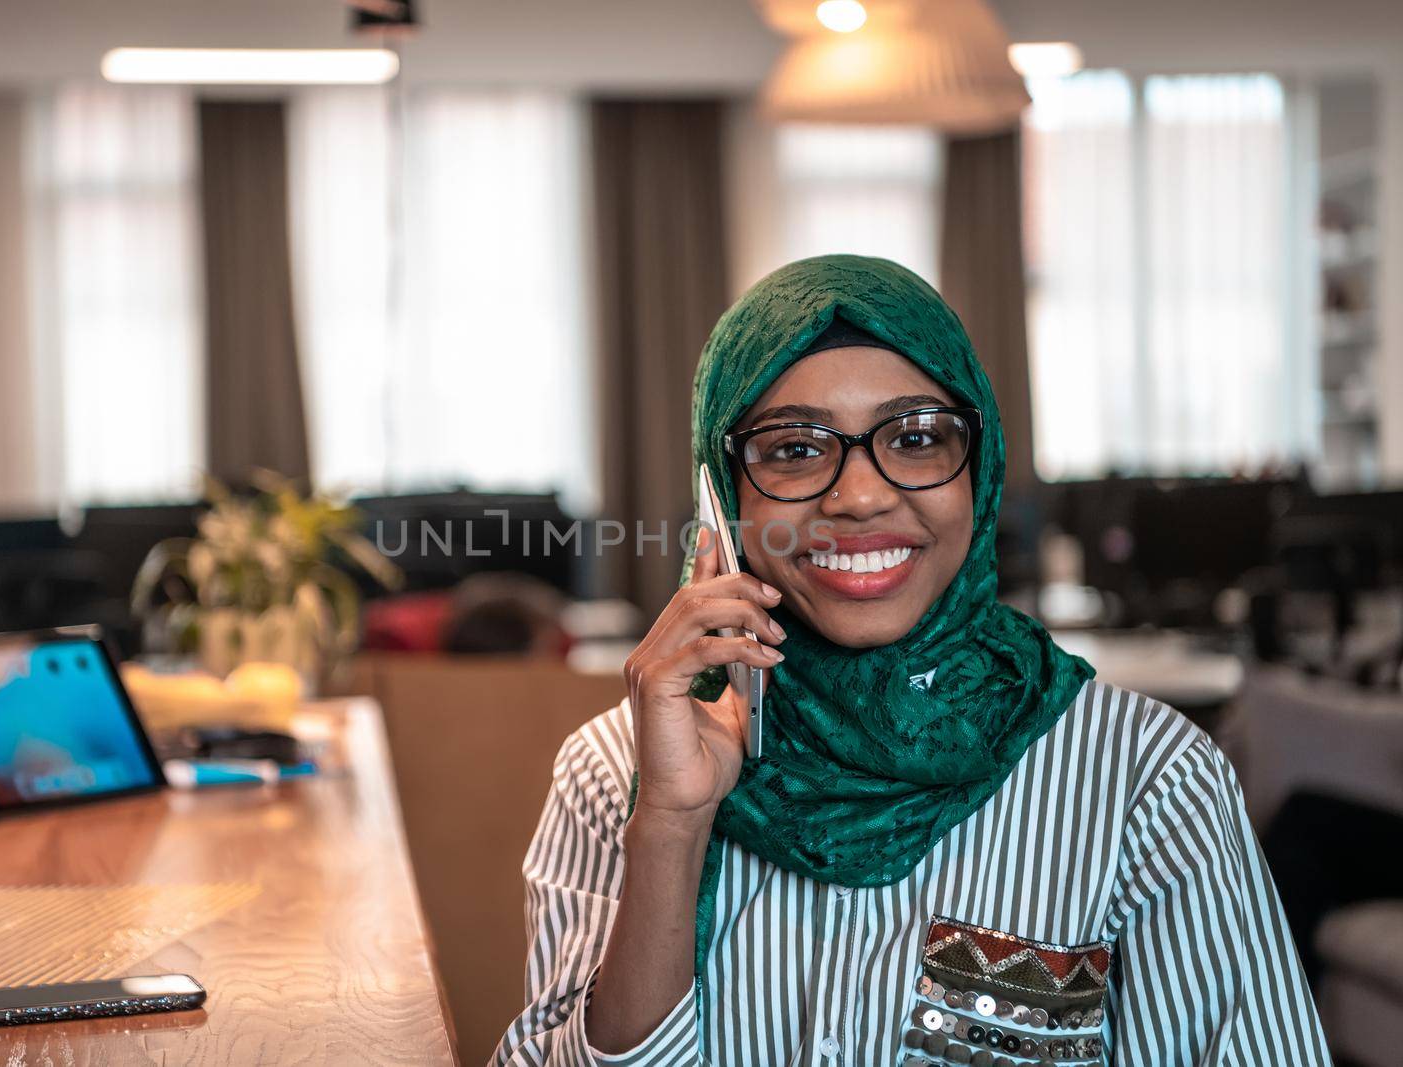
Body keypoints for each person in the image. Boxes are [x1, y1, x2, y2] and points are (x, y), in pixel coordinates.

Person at [492, 256, 1329, 1066]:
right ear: (722, 494)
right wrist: (670, 828)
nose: (859, 495)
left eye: (919, 437)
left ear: (983, 470)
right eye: (793, 449)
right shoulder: (614, 775)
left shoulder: (1144, 781)